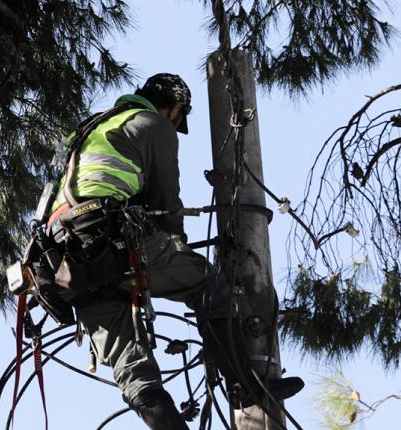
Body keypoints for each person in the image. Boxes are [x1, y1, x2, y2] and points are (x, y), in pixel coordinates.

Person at [46, 73, 302, 429]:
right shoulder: (151, 123)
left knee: (134, 373)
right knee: (210, 288)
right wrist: (176, 247)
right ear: (175, 109)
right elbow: (165, 203)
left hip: (63, 261)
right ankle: (246, 386)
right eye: (180, 118)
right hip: (111, 240)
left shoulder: (88, 130)